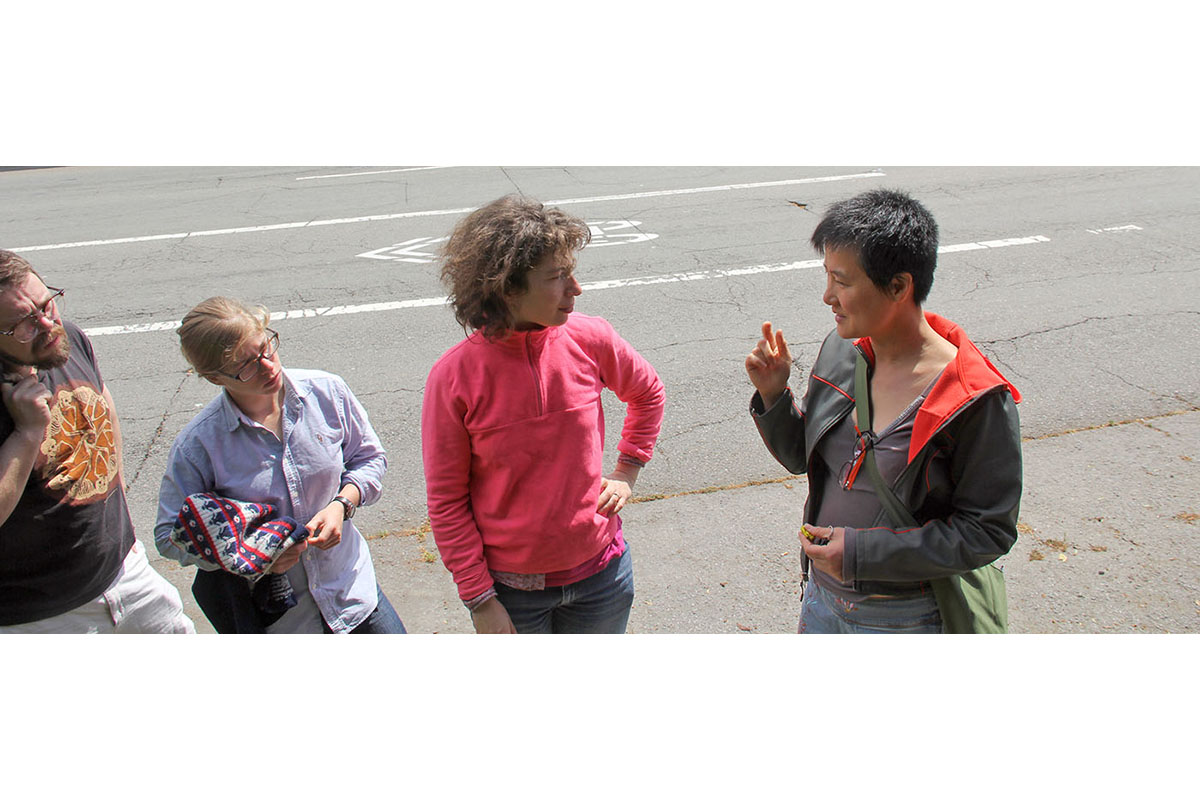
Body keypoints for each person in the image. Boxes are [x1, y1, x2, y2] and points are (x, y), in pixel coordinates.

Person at [745, 189, 1023, 633]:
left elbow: (987, 531)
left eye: (843, 281)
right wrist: (775, 397)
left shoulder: (974, 398)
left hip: (906, 618)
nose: (827, 296)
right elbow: (805, 458)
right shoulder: (841, 351)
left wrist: (861, 554)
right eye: (827, 277)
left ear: (898, 286)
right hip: (821, 601)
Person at [422, 195, 665, 634]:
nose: (576, 287)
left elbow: (648, 392)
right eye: (557, 276)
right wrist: (480, 600)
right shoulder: (454, 376)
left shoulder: (591, 338)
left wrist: (627, 469)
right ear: (506, 288)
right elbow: (447, 502)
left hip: (603, 576)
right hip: (512, 595)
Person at [155, 297, 405, 634]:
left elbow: (369, 458)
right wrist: (249, 554)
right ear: (215, 378)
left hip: (353, 591)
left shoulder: (326, 392)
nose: (268, 367)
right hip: (284, 621)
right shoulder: (199, 444)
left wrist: (342, 503)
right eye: (246, 366)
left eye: (266, 348)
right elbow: (168, 534)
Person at [0, 249, 194, 633]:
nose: (46, 324)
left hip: (129, 576)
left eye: (46, 304)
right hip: (43, 620)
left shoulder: (66, 338)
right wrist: (25, 435)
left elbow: (104, 416)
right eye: (23, 323)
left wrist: (126, 536)